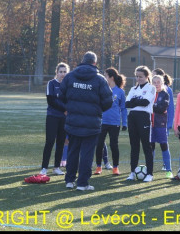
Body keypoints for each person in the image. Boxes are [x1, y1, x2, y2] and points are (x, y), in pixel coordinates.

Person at [60, 52, 113, 191]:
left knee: (72, 151)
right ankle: (82, 183)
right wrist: (97, 110)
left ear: (82, 61)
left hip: (73, 121)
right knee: (87, 154)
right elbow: (108, 101)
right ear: (94, 63)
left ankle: (69, 180)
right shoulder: (100, 79)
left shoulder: (70, 76)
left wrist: (70, 108)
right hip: (92, 123)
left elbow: (61, 95)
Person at [94, 67, 128, 176]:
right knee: (99, 144)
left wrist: (125, 123)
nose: (104, 78)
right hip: (102, 122)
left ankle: (115, 168)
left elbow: (123, 108)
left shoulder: (120, 92)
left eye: (106, 76)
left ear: (111, 77)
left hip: (114, 122)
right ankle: (98, 167)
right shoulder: (102, 90)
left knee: (114, 145)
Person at [125, 66, 156, 182]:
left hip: (144, 117)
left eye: (141, 76)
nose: (138, 78)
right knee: (134, 146)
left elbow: (145, 102)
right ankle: (132, 172)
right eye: (137, 76)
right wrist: (135, 102)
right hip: (132, 117)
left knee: (146, 146)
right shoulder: (133, 89)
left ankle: (150, 174)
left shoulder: (151, 88)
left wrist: (134, 101)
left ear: (147, 76)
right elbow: (127, 103)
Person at [39, 63, 69, 176]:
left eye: (65, 72)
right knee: (50, 142)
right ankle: (44, 168)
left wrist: (66, 110)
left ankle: (56, 167)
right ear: (57, 72)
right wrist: (65, 109)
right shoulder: (51, 83)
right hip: (52, 117)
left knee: (61, 142)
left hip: (64, 118)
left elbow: (70, 100)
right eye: (61, 72)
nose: (63, 74)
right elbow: (51, 101)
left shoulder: (68, 85)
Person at [149, 75, 173, 179]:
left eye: (158, 82)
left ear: (162, 83)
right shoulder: (149, 93)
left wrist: (152, 106)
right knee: (151, 147)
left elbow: (162, 108)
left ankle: (169, 170)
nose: (156, 84)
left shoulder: (165, 94)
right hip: (150, 124)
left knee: (164, 145)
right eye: (154, 82)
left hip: (161, 124)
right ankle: (150, 170)